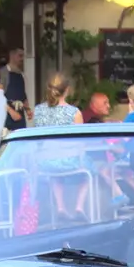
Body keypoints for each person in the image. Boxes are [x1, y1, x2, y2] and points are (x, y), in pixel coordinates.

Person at [32, 73, 88, 218]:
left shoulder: (38, 110)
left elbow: (37, 139)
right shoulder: (74, 113)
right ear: (67, 90)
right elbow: (80, 142)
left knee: (55, 173)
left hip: (45, 162)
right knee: (91, 167)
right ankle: (79, 206)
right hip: (68, 161)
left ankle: (61, 207)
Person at [0, 48, 28, 133]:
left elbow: (23, 94)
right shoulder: (3, 73)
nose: (22, 59)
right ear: (12, 55)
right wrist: (11, 112)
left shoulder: (21, 74)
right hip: (7, 117)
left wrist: (28, 109)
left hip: (20, 116)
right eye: (20, 56)